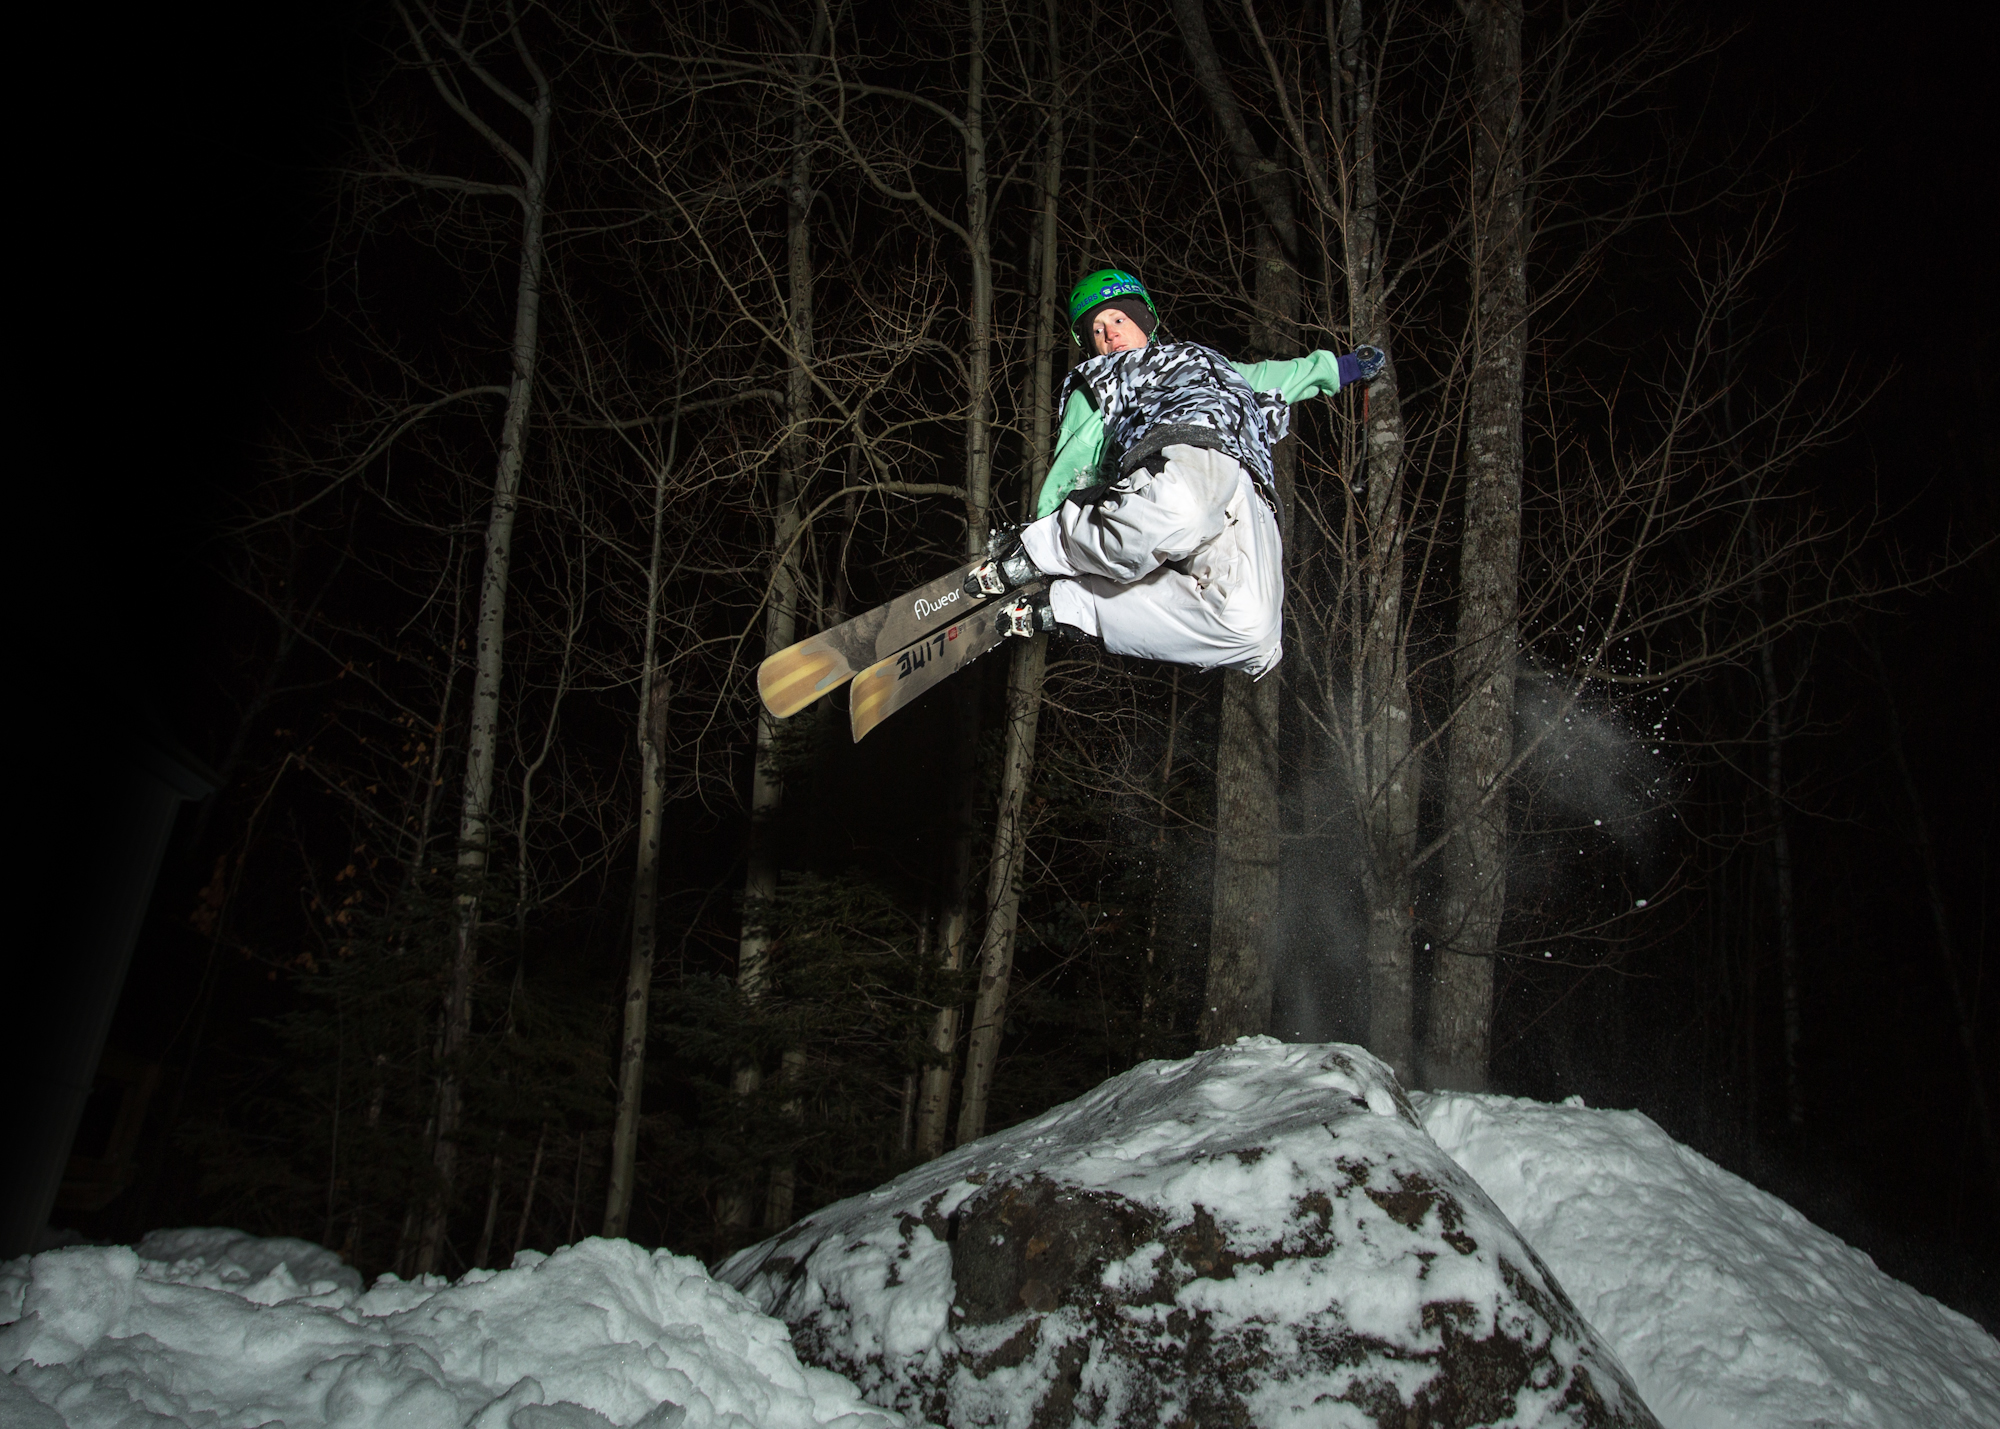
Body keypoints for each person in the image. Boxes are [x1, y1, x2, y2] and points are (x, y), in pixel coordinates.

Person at [967, 268, 1383, 678]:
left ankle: (1075, 606)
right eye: (1096, 331)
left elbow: (1285, 377)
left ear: (1143, 320)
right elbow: (1076, 455)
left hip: (1249, 491)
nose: (1109, 334)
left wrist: (1346, 367)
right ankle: (1047, 549)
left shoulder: (1206, 365)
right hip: (1185, 450)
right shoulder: (1102, 383)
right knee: (1183, 509)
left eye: (1117, 319)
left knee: (1253, 634)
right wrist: (1045, 532)